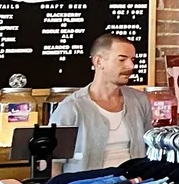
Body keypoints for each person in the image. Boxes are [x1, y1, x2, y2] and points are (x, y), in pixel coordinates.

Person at [49, 34, 152, 170]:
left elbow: (151, 148)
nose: (131, 65)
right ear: (99, 62)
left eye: (132, 59)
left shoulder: (140, 100)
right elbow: (55, 162)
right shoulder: (71, 108)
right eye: (122, 60)